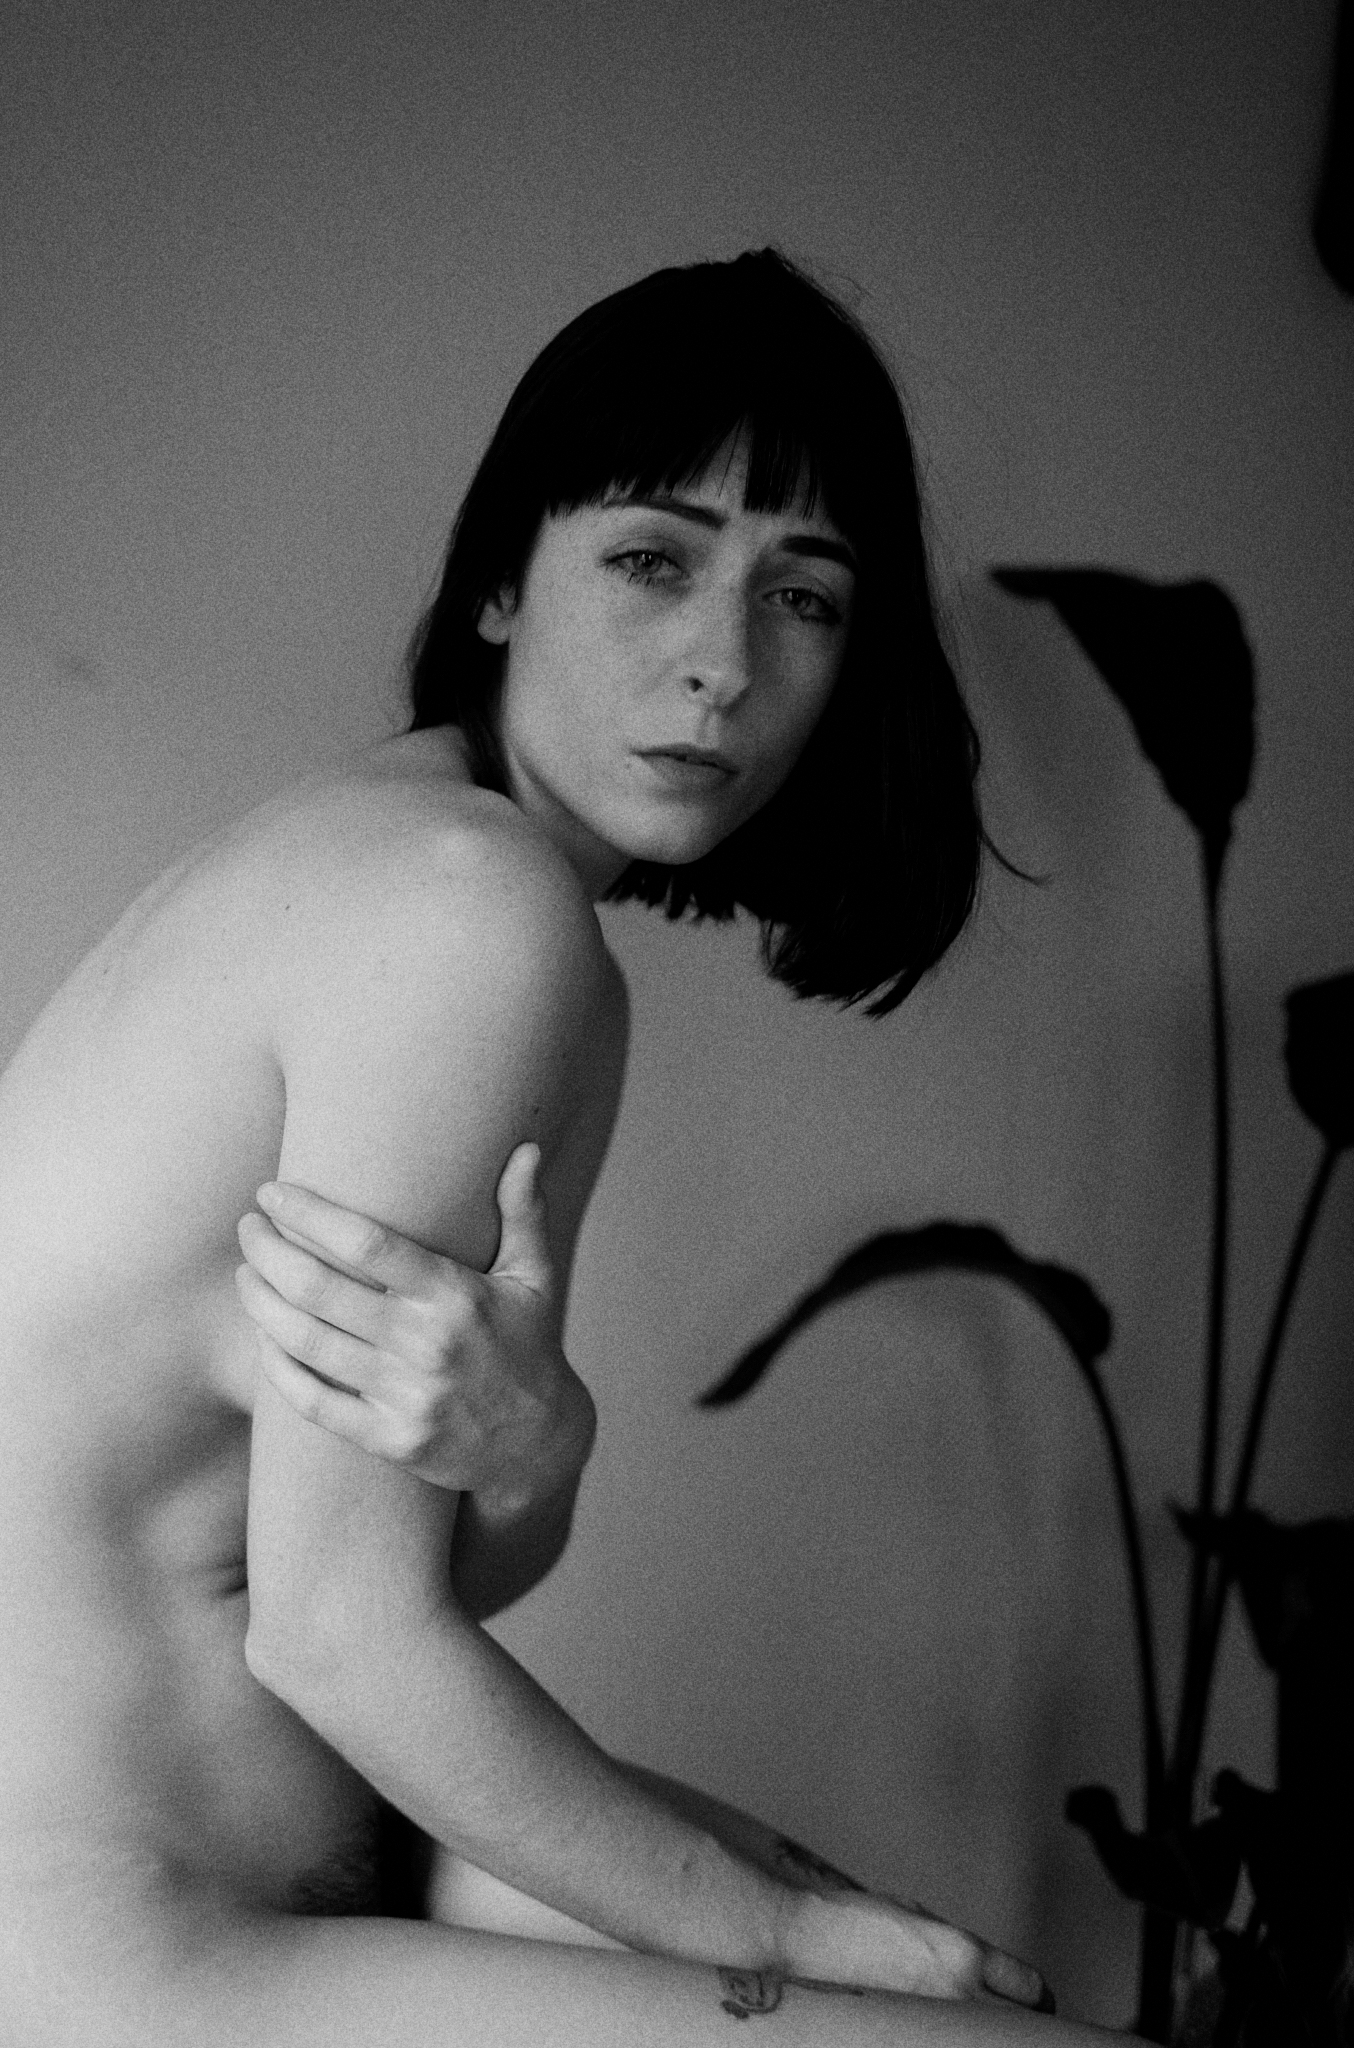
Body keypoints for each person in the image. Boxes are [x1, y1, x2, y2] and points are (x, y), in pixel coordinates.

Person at [0, 250, 1105, 2045]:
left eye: (803, 596)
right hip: (124, 1945)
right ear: (503, 580)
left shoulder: (424, 868)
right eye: (655, 560)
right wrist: (769, 1928)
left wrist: (537, 1448)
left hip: (284, 1869)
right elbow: (335, 1639)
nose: (723, 666)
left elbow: (393, 1566)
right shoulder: (463, 910)